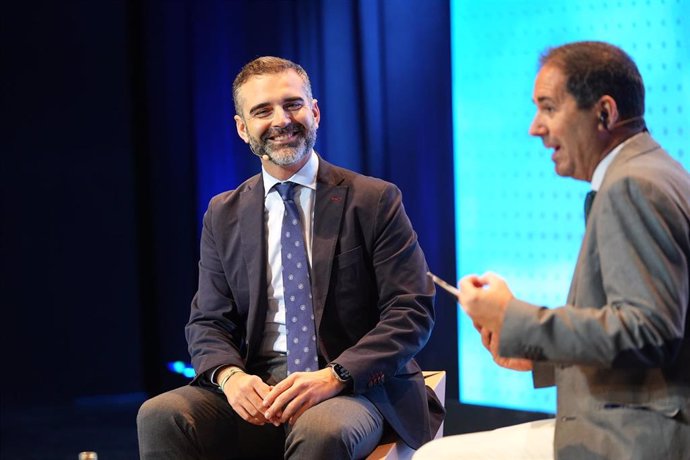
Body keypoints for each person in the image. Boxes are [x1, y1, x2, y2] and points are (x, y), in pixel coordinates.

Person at [137, 56, 444, 459]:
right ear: (242, 128)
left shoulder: (374, 199)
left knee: (322, 429)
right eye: (263, 111)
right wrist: (230, 378)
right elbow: (208, 321)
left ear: (314, 112)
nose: (282, 120)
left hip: (353, 387)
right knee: (160, 414)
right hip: (260, 387)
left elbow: (411, 311)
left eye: (293, 104)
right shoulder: (223, 213)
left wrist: (334, 376)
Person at [415, 41, 690, 459]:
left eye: (548, 107)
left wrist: (515, 319)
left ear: (605, 112)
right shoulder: (651, 170)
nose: (534, 127)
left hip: (639, 436)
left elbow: (648, 332)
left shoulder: (632, 186)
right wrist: (538, 358)